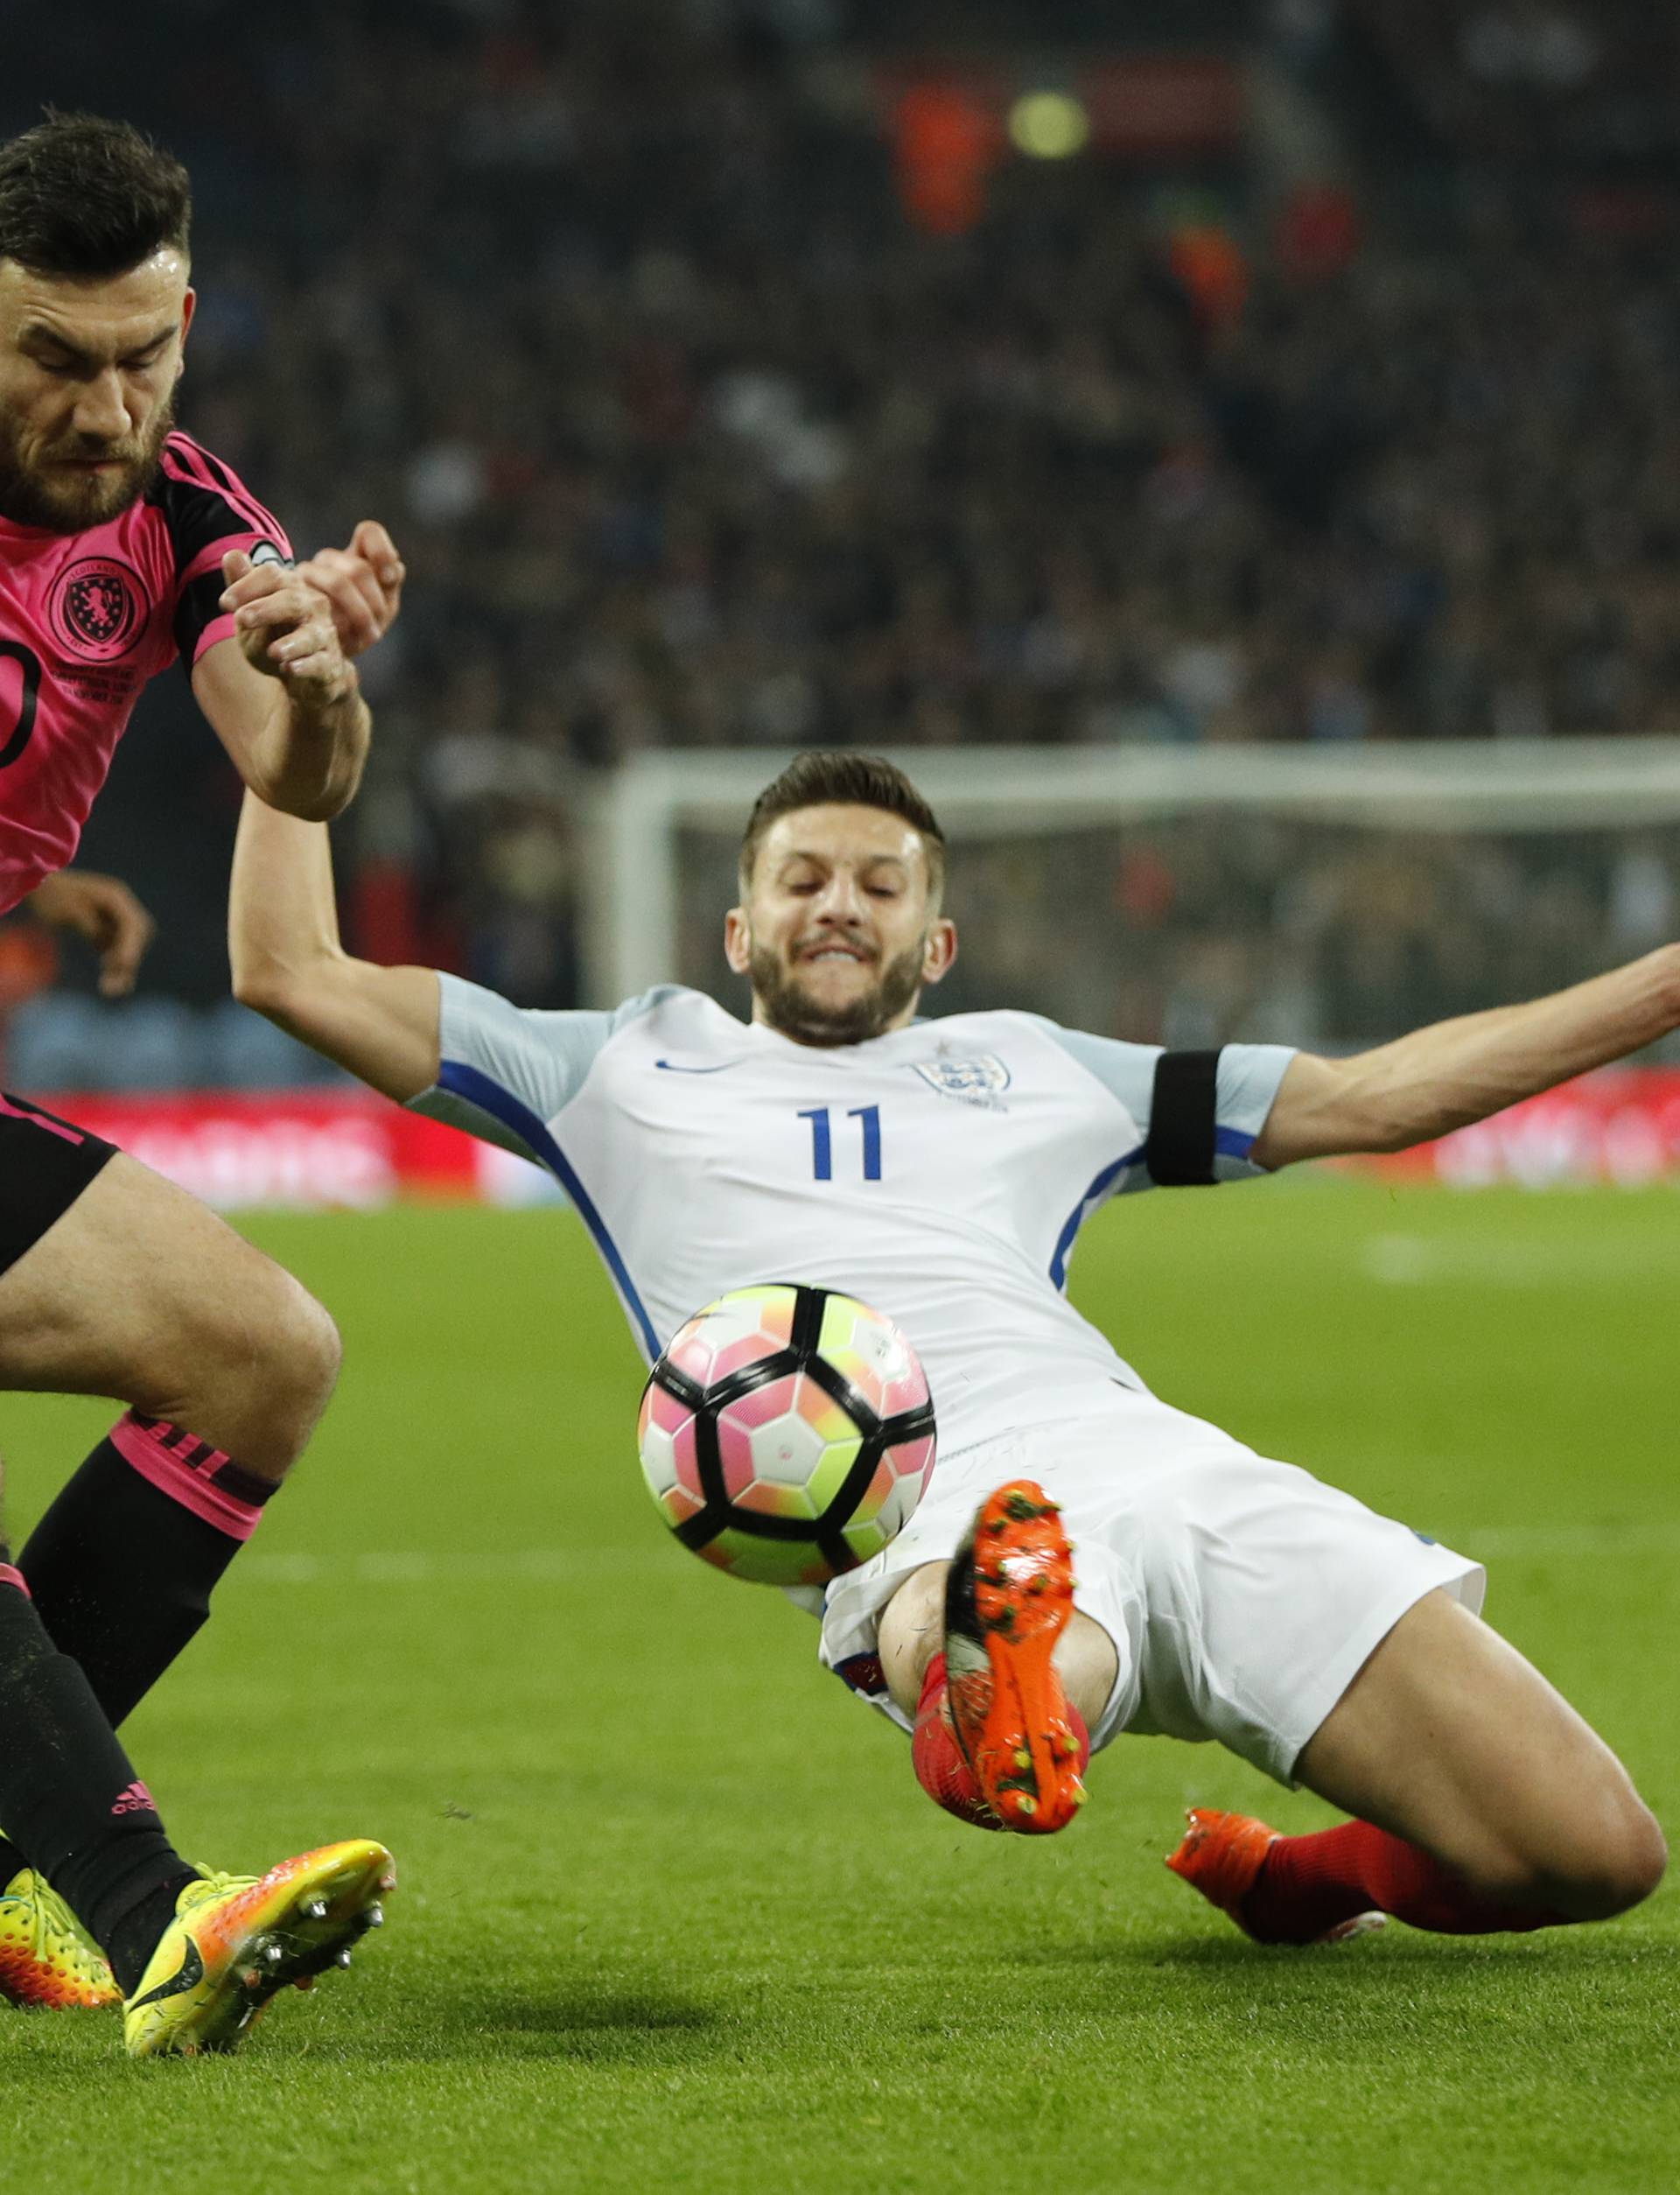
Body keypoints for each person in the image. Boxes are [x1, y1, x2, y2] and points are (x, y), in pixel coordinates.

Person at [228, 748, 1669, 1950]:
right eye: (800, 880)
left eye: (879, 884)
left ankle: (1301, 1869)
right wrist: (293, 730)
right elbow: (291, 967)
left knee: (1595, 1852)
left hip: (1160, 1458)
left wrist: (1658, 986)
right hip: (901, 1479)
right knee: (957, 1582)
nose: (838, 906)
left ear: (938, 940)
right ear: (737, 930)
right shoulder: (613, 1066)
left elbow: (1366, 1098)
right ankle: (991, 1675)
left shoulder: (1041, 1067)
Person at [0, 112, 403, 2057]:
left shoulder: (180, 511)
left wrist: (319, 678)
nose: (108, 404)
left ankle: (16, 1845)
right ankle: (152, 1915)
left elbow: (294, 769)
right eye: (57, 359)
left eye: (145, 354)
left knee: (265, 1353)